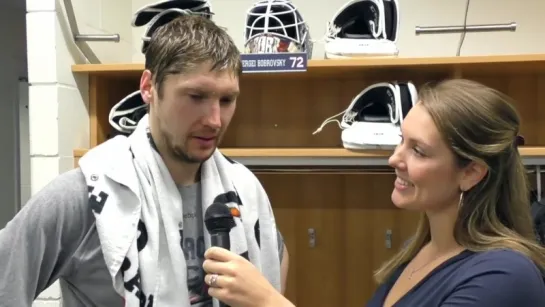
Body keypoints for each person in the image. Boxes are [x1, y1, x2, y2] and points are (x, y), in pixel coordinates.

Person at [0, 15, 289, 307]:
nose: (215, 120)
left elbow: (274, 266)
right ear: (149, 87)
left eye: (226, 100)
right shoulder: (88, 196)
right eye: (196, 96)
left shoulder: (246, 194)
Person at [201, 79, 545, 307]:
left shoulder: (505, 276)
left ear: (471, 172)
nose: (395, 159)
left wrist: (268, 302)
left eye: (419, 151)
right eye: (401, 141)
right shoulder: (422, 256)